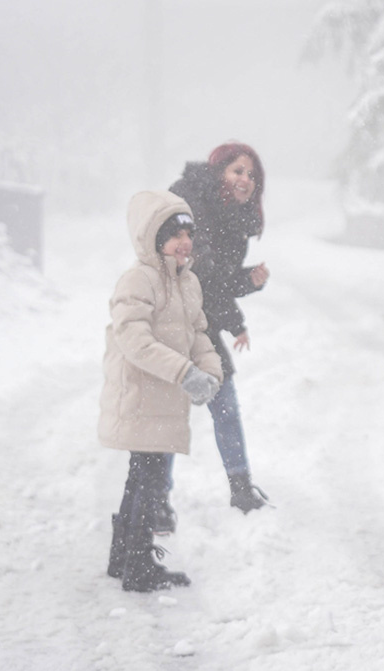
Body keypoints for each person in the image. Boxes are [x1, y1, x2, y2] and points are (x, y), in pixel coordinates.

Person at [100, 190, 223, 592]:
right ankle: (138, 564)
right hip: (142, 396)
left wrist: (210, 372)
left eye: (187, 232)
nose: (184, 241)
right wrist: (186, 372)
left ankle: (123, 558)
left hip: (166, 397)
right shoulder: (139, 280)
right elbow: (134, 341)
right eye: (173, 233)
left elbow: (199, 334)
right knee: (149, 478)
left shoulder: (188, 282)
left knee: (142, 476)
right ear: (152, 238)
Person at [165, 142, 271, 524]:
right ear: (219, 171)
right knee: (170, 411)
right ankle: (156, 501)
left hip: (202, 319)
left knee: (224, 402)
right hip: (172, 319)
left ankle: (241, 487)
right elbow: (199, 272)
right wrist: (241, 288)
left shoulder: (232, 218)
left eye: (251, 174)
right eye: (237, 171)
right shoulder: (193, 203)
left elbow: (213, 284)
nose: (245, 180)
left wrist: (248, 283)